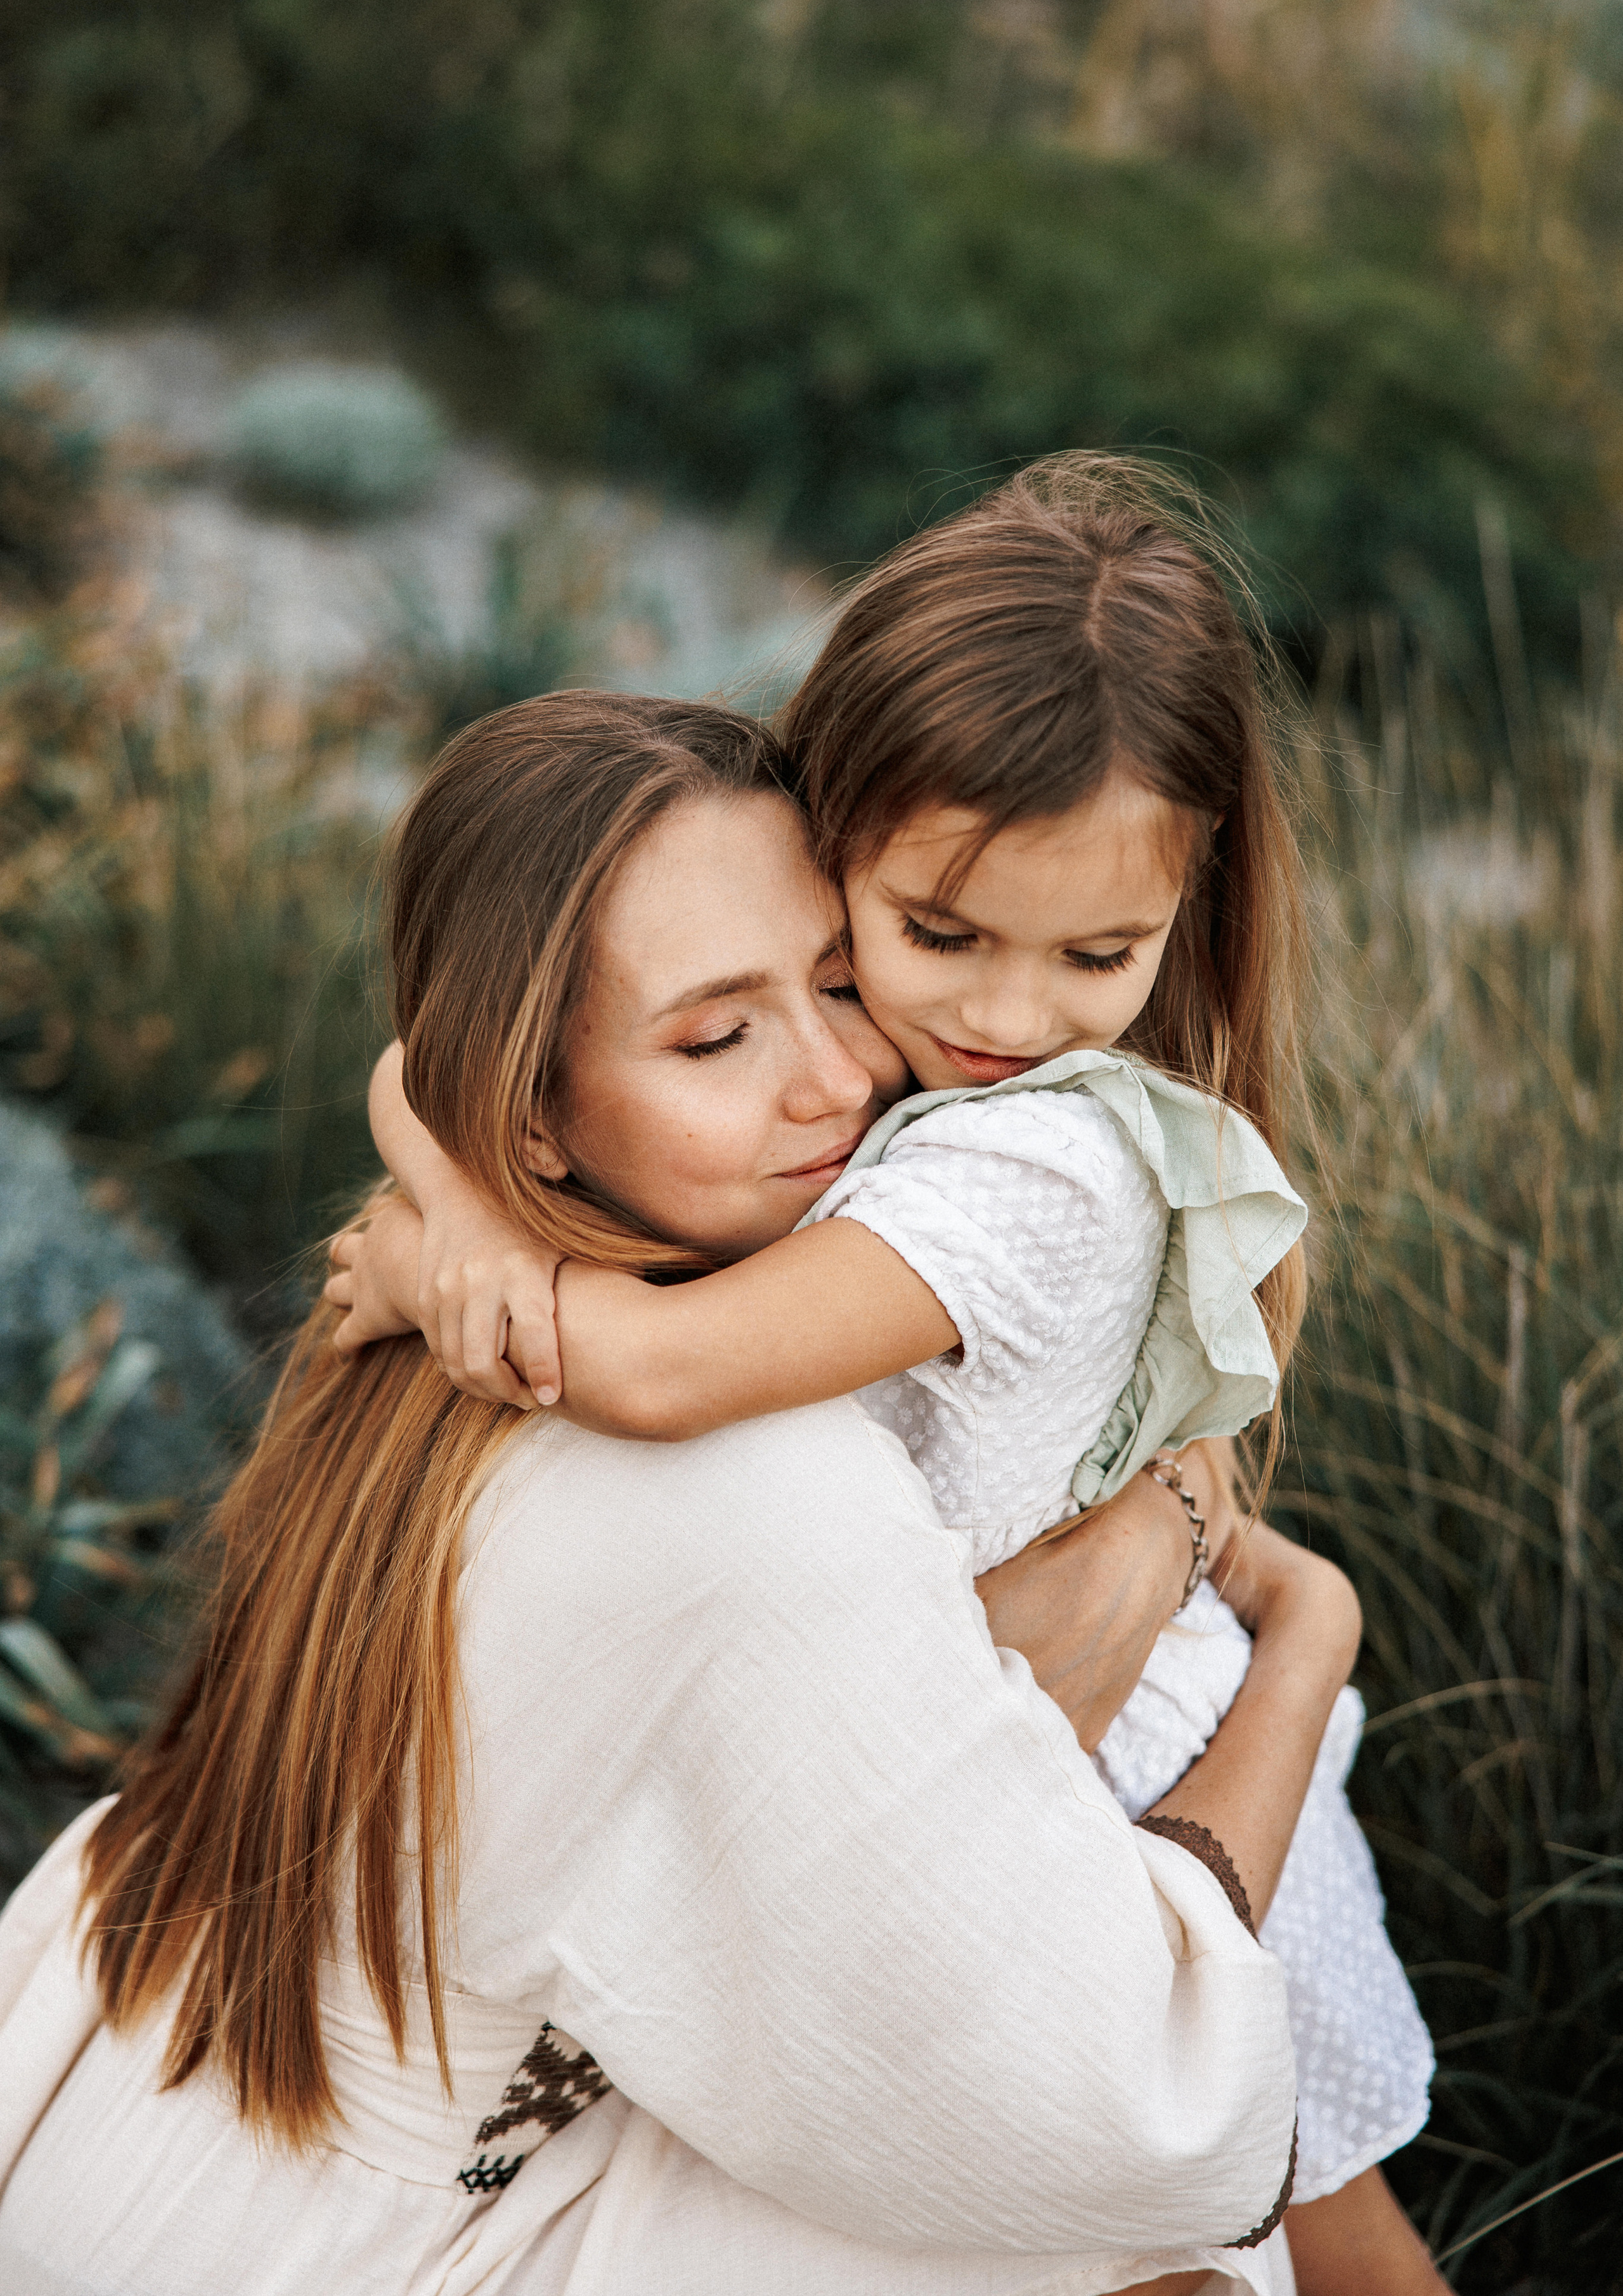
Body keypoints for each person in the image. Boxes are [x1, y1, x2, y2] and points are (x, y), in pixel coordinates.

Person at [0, 692, 1351, 2296]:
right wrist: (1308, 1639)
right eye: (719, 1036)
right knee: (1163, 2256)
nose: (844, 1078)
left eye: (841, 979)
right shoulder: (747, 1488)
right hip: (358, 2241)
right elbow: (1136, 2095)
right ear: (527, 1116)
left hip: (128, 2106)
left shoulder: (424, 1297)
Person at [340, 461, 1439, 2290]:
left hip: (1125, 1768)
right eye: (937, 936)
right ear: (822, 828)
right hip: (990, 1743)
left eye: (1102, 953)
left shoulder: (1037, 1159)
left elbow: (672, 1368)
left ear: (1193, 902)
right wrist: (451, 1178)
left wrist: (419, 1246)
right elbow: (447, 1035)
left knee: (1291, 2229)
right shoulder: (869, 1066)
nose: (1003, 1018)